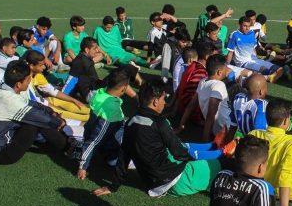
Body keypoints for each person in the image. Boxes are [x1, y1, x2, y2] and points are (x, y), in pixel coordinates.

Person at [91, 81, 222, 198]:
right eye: (163, 99)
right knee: (215, 164)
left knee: (183, 148)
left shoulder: (130, 122)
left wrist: (113, 186)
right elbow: (180, 153)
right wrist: (205, 158)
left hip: (152, 183)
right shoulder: (160, 123)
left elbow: (123, 157)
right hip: (174, 181)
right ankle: (222, 151)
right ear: (155, 101)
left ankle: (215, 146)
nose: (165, 103)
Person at [0, 60, 75, 164]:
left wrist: (51, 111)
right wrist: (60, 122)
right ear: (18, 84)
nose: (30, 81)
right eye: (28, 80)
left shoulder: (7, 90)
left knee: (38, 118)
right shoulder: (11, 101)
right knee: (37, 123)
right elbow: (42, 118)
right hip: (2, 154)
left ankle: (62, 142)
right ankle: (69, 148)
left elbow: (33, 104)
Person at [77, 68, 131, 180]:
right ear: (124, 89)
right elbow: (94, 140)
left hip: (108, 135)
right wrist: (83, 167)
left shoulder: (99, 92)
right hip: (110, 147)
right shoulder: (110, 112)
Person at [232, 74, 292, 140]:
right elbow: (261, 131)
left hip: (246, 135)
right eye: (266, 87)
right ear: (261, 91)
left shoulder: (238, 98)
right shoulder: (261, 104)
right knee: (285, 124)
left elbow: (233, 123)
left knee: (280, 116)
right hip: (262, 142)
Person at [25, 50, 90, 122]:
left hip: (41, 100)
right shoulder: (24, 79)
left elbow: (53, 92)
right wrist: (48, 105)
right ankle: (88, 118)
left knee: (64, 102)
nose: (43, 67)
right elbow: (32, 100)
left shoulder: (38, 75)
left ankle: (89, 112)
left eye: (44, 64)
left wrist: (74, 100)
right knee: (59, 111)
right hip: (36, 107)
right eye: (40, 65)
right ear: (31, 66)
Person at [227, 16, 283, 83]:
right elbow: (230, 52)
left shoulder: (251, 33)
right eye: (244, 26)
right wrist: (227, 65)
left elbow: (254, 49)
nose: (247, 28)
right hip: (244, 63)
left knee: (280, 69)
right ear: (239, 25)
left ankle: (269, 76)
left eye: (249, 26)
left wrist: (258, 58)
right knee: (265, 70)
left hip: (254, 59)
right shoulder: (234, 35)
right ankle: (268, 77)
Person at [175, 42, 214, 123]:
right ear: (207, 57)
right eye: (214, 56)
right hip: (190, 112)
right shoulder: (201, 72)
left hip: (182, 107)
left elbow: (180, 88)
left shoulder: (192, 66)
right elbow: (192, 97)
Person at [62, 37, 101, 103]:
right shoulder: (84, 63)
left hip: (85, 88)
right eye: (94, 49)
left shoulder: (83, 57)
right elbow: (72, 79)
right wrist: (63, 95)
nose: (97, 51)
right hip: (89, 94)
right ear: (87, 50)